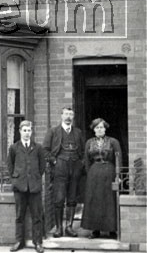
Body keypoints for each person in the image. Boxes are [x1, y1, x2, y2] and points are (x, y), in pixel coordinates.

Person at [42, 107, 84, 238]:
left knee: (72, 198)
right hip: (60, 168)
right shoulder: (53, 132)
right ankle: (59, 228)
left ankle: (69, 227)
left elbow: (82, 151)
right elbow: (45, 150)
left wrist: (80, 164)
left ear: (73, 117)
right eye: (66, 114)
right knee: (59, 198)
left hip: (75, 168)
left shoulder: (78, 132)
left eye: (71, 114)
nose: (68, 117)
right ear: (61, 116)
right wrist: (54, 161)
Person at [7, 120, 45, 253]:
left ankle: (38, 242)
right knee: (19, 216)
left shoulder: (38, 148)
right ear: (20, 131)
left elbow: (42, 167)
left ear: (32, 132)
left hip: (34, 187)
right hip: (20, 187)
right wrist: (16, 180)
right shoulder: (14, 148)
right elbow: (10, 166)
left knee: (37, 216)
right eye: (24, 130)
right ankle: (19, 242)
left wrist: (34, 178)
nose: (27, 133)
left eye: (29, 130)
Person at [81, 118, 122, 239]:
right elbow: (87, 161)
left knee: (109, 200)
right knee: (95, 200)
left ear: (105, 128)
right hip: (94, 173)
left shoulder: (113, 141)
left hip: (109, 172)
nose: (99, 129)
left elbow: (118, 159)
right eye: (97, 127)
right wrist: (89, 175)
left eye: (101, 127)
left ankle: (112, 229)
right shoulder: (89, 142)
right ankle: (95, 230)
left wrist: (118, 175)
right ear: (93, 130)